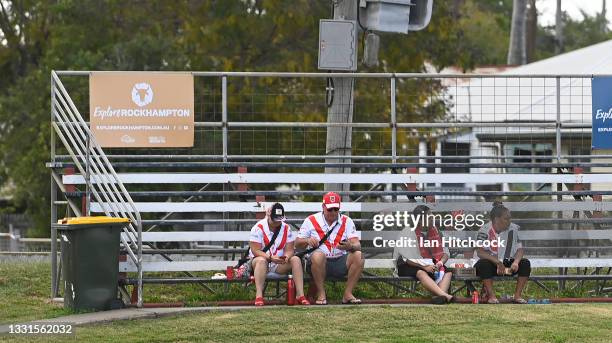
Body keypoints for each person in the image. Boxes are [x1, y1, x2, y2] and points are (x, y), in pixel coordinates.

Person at [295, 192, 364, 305]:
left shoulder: (347, 221)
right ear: (323, 207)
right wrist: (307, 240)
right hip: (318, 263)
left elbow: (358, 245)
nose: (333, 212)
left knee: (359, 255)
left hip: (340, 260)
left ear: (339, 208)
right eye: (330, 209)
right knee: (318, 255)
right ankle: (321, 294)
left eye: (336, 209)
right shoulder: (311, 220)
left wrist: (350, 246)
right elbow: (297, 243)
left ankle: (347, 294)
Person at [249, 202, 310, 306]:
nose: (277, 223)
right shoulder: (258, 227)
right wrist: (270, 258)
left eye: (279, 219)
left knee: (295, 259)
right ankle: (259, 295)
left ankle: (300, 294)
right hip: (261, 261)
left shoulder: (286, 228)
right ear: (268, 215)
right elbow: (255, 250)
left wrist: (286, 257)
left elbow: (290, 249)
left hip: (279, 263)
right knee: (261, 260)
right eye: (275, 219)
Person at [394, 205, 455, 304]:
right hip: (409, 264)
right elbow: (407, 259)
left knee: (448, 273)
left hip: (431, 263)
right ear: (420, 220)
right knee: (420, 273)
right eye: (430, 217)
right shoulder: (408, 232)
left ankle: (439, 297)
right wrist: (425, 267)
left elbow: (445, 253)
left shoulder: (436, 231)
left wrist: (440, 263)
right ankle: (445, 295)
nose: (433, 219)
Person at [474, 202, 531, 304]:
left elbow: (520, 249)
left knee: (525, 263)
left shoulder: (514, 228)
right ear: (496, 219)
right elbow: (480, 252)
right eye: (506, 218)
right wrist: (497, 262)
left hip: (507, 269)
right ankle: (491, 296)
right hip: (492, 267)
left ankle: (517, 296)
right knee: (483, 264)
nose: (509, 221)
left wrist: (516, 262)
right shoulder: (484, 230)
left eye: (510, 218)